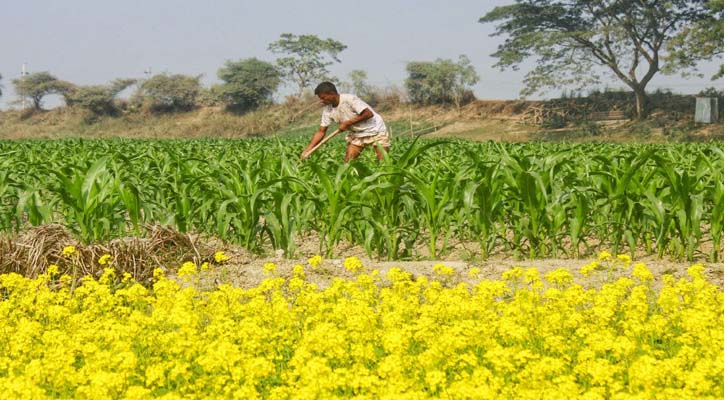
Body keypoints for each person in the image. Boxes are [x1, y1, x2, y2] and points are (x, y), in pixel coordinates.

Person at [301, 82, 390, 162]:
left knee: (383, 162)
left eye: (323, 97)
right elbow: (321, 131)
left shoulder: (349, 99)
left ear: (332, 94)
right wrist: (308, 149)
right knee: (348, 162)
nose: (321, 101)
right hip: (356, 134)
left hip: (375, 129)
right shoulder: (327, 110)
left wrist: (347, 123)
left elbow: (368, 114)